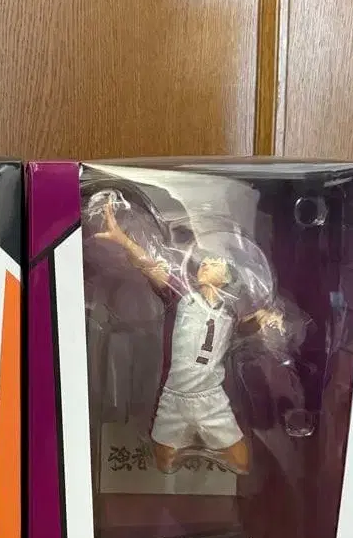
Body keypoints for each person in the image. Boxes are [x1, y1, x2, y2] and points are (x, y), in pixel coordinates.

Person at [95, 201, 283, 475]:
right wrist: (122, 239)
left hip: (211, 398)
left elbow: (247, 327)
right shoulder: (181, 295)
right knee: (163, 464)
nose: (206, 262)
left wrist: (265, 318)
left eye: (215, 262)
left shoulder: (230, 311)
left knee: (242, 464)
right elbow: (149, 265)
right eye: (206, 260)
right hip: (174, 396)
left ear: (227, 277)